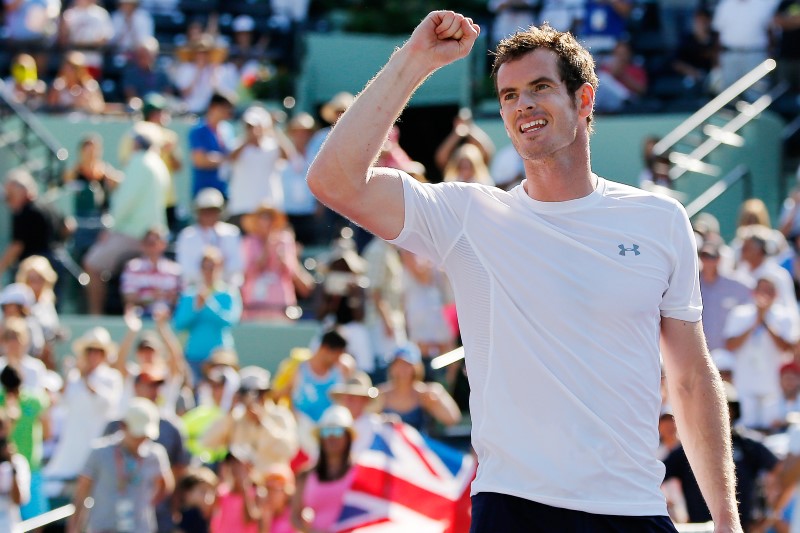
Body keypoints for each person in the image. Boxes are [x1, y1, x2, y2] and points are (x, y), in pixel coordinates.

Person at [306, 10, 741, 531]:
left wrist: (725, 518)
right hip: (515, 508)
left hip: (633, 509)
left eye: (538, 87)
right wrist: (415, 62)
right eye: (509, 96)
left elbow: (692, 378)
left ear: (584, 99)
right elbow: (334, 180)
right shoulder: (469, 216)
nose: (522, 106)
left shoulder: (660, 220)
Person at [82, 122, 170, 315]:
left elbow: (124, 203)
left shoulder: (139, 161)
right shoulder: (158, 164)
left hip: (133, 234)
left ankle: (95, 315)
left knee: (92, 263)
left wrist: (109, 229)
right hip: (152, 235)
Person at [67, 398, 174, 533]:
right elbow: (81, 492)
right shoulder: (100, 452)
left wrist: (146, 504)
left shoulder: (155, 454)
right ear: (123, 426)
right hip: (103, 528)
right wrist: (74, 527)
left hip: (140, 529)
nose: (141, 440)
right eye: (137, 435)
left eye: (145, 436)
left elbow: (165, 485)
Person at [723, 276, 798, 430]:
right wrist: (755, 322)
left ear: (776, 294)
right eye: (762, 290)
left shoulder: (784, 317)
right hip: (745, 382)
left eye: (769, 290)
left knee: (771, 427)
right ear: (754, 292)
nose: (765, 294)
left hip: (773, 385)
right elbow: (730, 344)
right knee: (746, 427)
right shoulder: (740, 314)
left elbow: (787, 348)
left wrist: (765, 321)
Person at [290, 405, 356, 533]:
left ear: (348, 437)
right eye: (326, 431)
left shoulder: (360, 472)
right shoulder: (305, 474)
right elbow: (294, 517)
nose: (331, 436)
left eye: (338, 431)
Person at [376, 343, 462, 434]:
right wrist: (382, 420)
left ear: (417, 367)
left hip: (421, 445)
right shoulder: (380, 393)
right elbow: (366, 422)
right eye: (398, 364)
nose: (402, 369)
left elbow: (453, 419)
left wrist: (435, 403)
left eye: (407, 365)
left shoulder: (427, 392)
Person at [175, 187, 244, 288]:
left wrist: (218, 276)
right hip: (197, 289)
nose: (209, 215)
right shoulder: (187, 235)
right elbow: (186, 270)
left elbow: (237, 265)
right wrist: (207, 275)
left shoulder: (232, 233)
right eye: (205, 210)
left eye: (213, 210)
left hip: (226, 289)